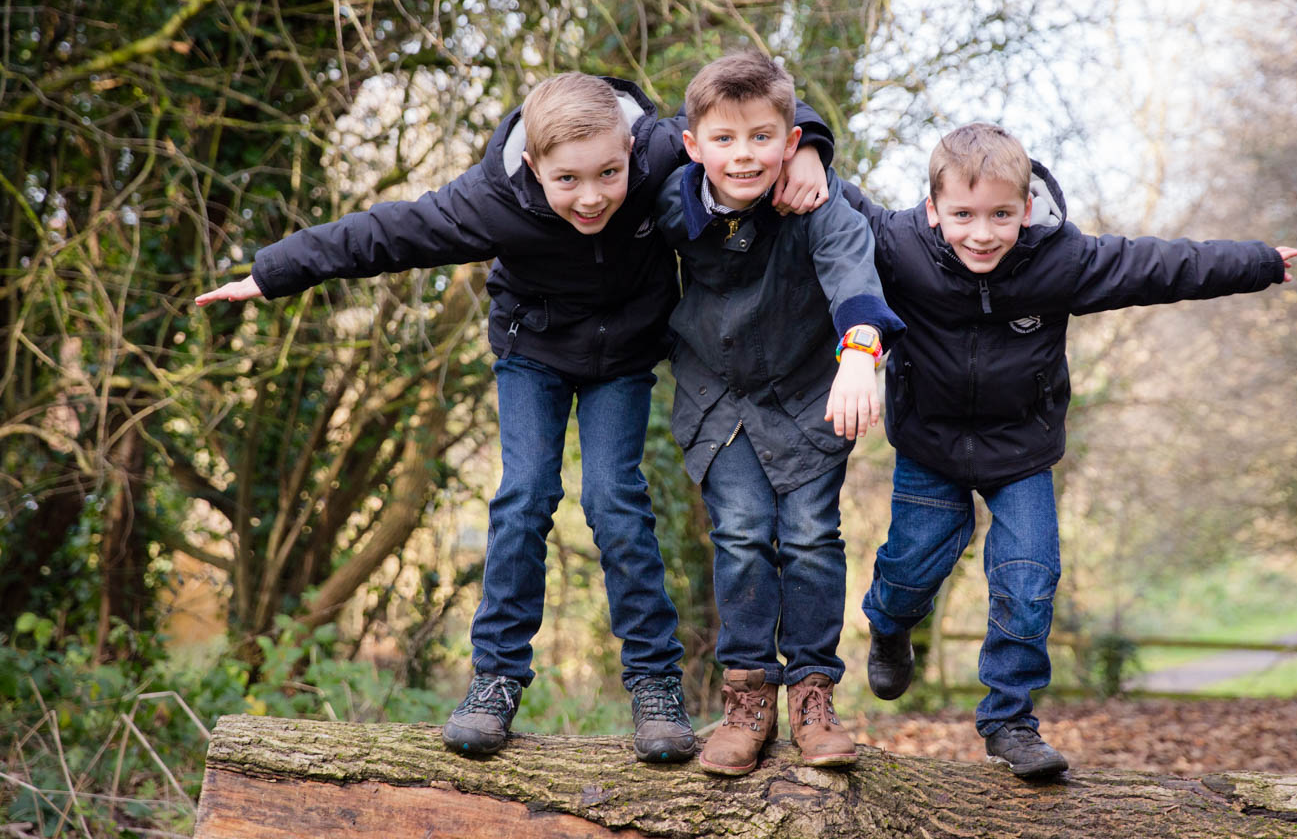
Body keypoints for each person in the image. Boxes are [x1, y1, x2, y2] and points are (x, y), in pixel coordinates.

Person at [195, 72, 836, 762]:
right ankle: (495, 679)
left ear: (633, 150)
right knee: (525, 496)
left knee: (614, 501)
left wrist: (812, 148)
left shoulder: (658, 151)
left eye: (609, 175)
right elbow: (383, 233)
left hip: (623, 357)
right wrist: (273, 271)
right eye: (567, 181)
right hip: (532, 352)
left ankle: (655, 686)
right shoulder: (491, 200)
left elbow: (749, 114)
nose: (591, 197)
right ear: (533, 166)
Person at [841, 123, 1297, 778]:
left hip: (1021, 449)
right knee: (912, 567)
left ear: (1027, 208)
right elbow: (826, 189)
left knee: (1029, 582)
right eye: (963, 215)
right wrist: (802, 145)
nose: (981, 232)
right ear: (933, 208)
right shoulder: (898, 245)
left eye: (1001, 214)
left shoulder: (1061, 260)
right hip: (931, 445)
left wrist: (1256, 262)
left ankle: (1010, 723)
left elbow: (1161, 265)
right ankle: (890, 624)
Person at [653, 51, 905, 776]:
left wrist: (860, 348)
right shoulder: (673, 200)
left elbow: (853, 268)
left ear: (791, 141)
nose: (744, 155)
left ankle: (813, 691)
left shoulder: (821, 200)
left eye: (763, 137)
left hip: (805, 396)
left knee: (809, 537)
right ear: (693, 146)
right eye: (725, 141)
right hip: (717, 395)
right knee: (738, 534)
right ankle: (747, 694)